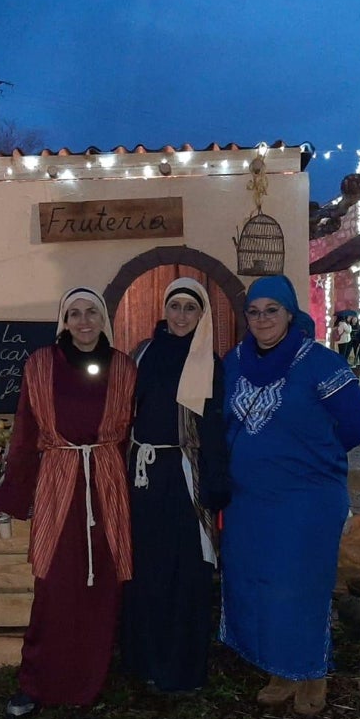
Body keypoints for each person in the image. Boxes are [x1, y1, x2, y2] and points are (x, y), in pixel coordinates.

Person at [221, 275, 360, 717]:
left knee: (300, 582)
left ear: (291, 313)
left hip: (306, 499)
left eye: (273, 309)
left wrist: (313, 457)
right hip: (250, 499)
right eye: (254, 311)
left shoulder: (319, 363)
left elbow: (358, 423)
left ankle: (311, 671)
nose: (263, 318)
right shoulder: (233, 362)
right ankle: (280, 668)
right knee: (261, 581)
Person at [0, 287, 138, 719]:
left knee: (102, 587)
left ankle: (89, 682)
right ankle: (36, 683)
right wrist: (13, 495)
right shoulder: (39, 365)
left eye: (91, 312)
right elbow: (23, 433)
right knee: (54, 586)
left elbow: (132, 437)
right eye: (75, 313)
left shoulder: (125, 368)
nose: (84, 321)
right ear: (64, 321)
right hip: (59, 481)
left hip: (107, 481)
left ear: (103, 319)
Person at [121, 277, 228, 694]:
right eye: (175, 306)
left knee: (185, 569)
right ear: (164, 310)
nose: (181, 315)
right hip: (144, 474)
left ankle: (180, 666)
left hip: (186, 475)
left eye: (191, 308)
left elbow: (216, 427)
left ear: (202, 315)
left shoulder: (210, 362)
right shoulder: (143, 355)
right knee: (147, 566)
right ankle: (144, 659)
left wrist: (216, 480)